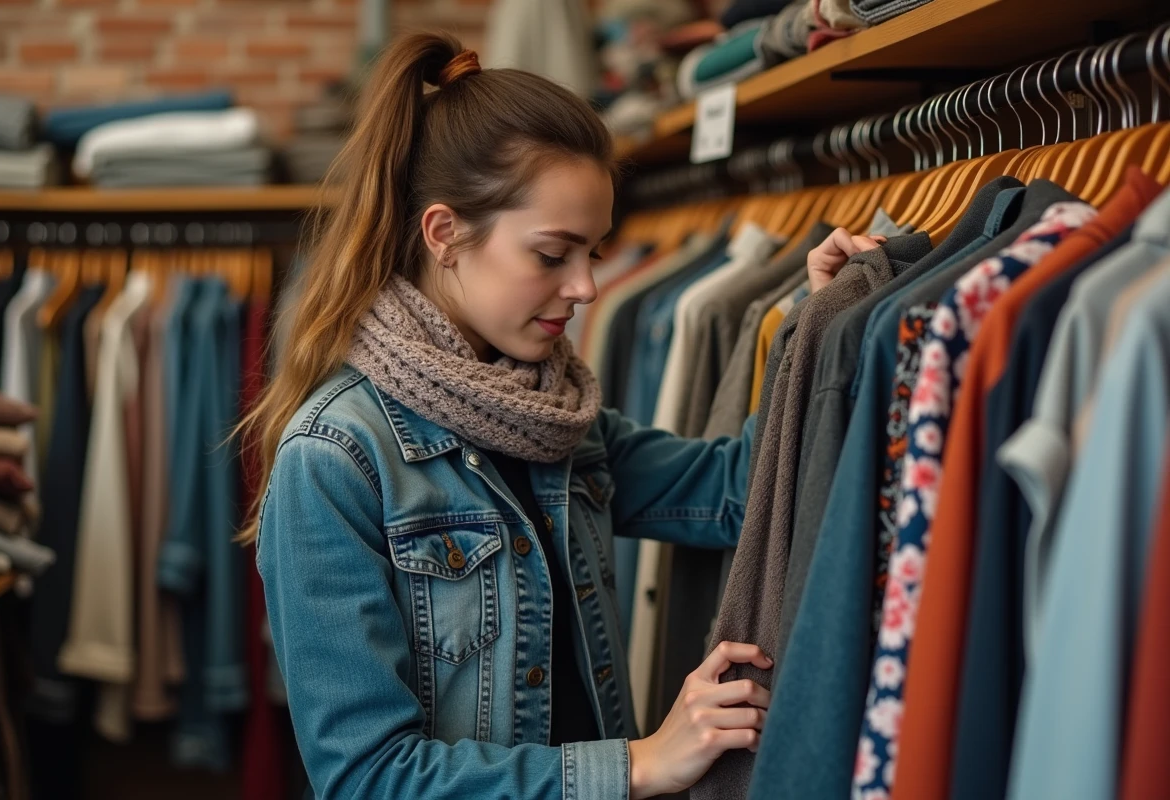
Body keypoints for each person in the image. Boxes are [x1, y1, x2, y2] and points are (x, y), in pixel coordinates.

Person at [241, 30, 878, 800]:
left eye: (595, 254)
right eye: (553, 254)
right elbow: (366, 776)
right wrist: (640, 763)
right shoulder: (335, 458)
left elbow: (741, 495)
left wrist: (813, 326)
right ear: (444, 234)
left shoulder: (549, 417)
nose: (585, 287)